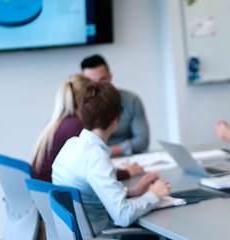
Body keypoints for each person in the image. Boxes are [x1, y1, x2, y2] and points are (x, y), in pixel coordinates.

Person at [52, 81, 170, 235]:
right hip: (100, 234)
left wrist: (130, 191)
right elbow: (123, 216)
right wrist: (154, 194)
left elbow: (93, 191)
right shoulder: (95, 156)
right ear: (116, 120)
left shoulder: (71, 145)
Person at [30, 74, 143, 182]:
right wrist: (127, 172)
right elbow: (95, 171)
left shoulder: (58, 121)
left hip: (45, 192)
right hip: (56, 192)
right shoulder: (75, 126)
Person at [81, 54, 149, 156]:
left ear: (110, 77)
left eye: (102, 79)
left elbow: (142, 140)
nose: (98, 86)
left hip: (126, 158)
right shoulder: (80, 106)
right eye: (92, 82)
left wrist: (106, 151)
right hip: (95, 159)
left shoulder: (131, 101)